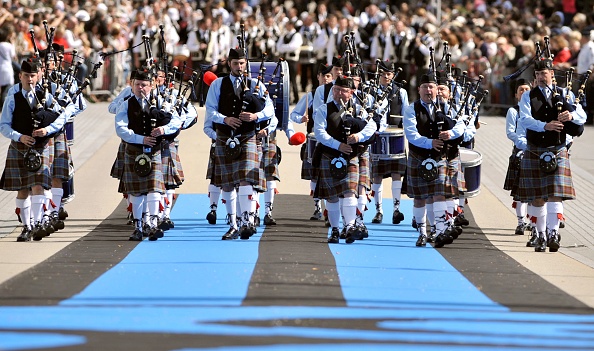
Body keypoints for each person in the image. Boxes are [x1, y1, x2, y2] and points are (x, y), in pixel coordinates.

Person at [517, 58, 586, 252]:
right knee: (537, 197)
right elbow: (524, 119)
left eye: (543, 73)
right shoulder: (527, 96)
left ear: (552, 74)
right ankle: (540, 234)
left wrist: (571, 116)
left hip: (557, 148)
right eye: (537, 74)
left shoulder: (565, 93)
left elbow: (582, 115)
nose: (540, 77)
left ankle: (553, 233)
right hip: (535, 149)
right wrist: (544, 126)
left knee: (555, 195)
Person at [205, 48, 274, 240]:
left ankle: (246, 221)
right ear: (229, 63)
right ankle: (233, 224)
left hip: (248, 135)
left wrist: (255, 116)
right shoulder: (218, 84)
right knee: (227, 183)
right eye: (235, 63)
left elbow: (270, 109)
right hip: (225, 136)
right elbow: (209, 110)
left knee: (246, 179)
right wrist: (225, 119)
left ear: (246, 64)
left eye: (242, 63)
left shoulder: (256, 84)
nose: (239, 67)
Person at [0, 60, 68, 241]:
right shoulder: (12, 98)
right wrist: (19, 136)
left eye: (33, 75)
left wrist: (48, 130)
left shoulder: (46, 96)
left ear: (38, 75)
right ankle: (26, 226)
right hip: (20, 147)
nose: (29, 79)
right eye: (26, 76)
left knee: (38, 185)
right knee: (22, 189)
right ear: (20, 76)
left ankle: (37, 224)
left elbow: (62, 117)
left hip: (42, 146)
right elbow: (4, 125)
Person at [114, 68, 182, 241]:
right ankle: (138, 226)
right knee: (136, 192)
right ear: (132, 85)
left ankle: (151, 224)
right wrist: (140, 139)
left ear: (151, 86)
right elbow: (120, 129)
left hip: (155, 152)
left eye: (144, 85)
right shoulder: (126, 104)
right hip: (134, 150)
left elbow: (177, 121)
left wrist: (163, 129)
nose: (140, 88)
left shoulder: (161, 102)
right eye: (137, 84)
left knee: (154, 189)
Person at [403, 72, 465, 248]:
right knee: (420, 198)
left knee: (439, 193)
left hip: (439, 158)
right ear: (419, 89)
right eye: (425, 87)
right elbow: (411, 134)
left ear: (437, 90)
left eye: (431, 87)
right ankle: (422, 233)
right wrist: (430, 142)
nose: (428, 90)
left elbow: (461, 124)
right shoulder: (411, 109)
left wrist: (450, 133)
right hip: (419, 156)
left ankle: (439, 231)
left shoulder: (446, 106)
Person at [312, 75, 377, 244]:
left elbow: (372, 127)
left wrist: (359, 136)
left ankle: (349, 226)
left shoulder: (359, 109)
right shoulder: (324, 110)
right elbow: (320, 132)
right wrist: (337, 145)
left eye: (343, 91)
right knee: (332, 196)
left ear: (351, 92)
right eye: (336, 90)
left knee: (350, 191)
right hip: (329, 154)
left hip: (351, 156)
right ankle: (334, 229)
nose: (339, 93)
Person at [289, 63, 333, 220]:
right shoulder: (311, 95)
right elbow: (293, 114)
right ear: (318, 77)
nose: (326, 79)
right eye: (324, 76)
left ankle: (330, 209)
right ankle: (317, 208)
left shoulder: (336, 94)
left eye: (329, 76)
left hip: (331, 139)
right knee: (314, 175)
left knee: (331, 173)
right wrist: (301, 118)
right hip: (313, 139)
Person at [370, 61, 410, 225]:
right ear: (378, 74)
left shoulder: (401, 92)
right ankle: (378, 211)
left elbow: (406, 114)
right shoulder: (371, 90)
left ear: (393, 74)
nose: (386, 77)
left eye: (389, 74)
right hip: (378, 136)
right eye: (383, 73)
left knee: (396, 174)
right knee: (377, 176)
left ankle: (396, 209)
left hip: (395, 137)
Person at [504, 79, 531, 236]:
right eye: (521, 89)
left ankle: (535, 222)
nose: (524, 91)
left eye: (527, 88)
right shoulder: (513, 111)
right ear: (516, 94)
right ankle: (521, 222)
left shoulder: (535, 109)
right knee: (520, 191)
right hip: (520, 151)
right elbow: (510, 132)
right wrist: (524, 144)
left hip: (536, 152)